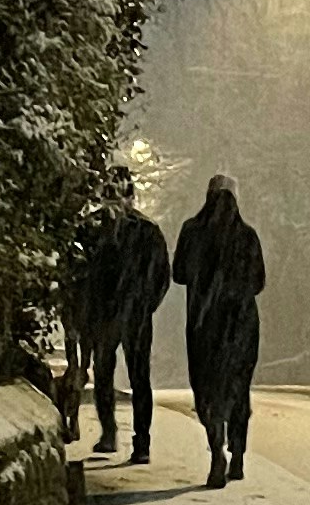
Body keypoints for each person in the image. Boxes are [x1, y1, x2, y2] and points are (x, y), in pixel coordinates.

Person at [173, 176, 267, 487]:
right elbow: (259, 283)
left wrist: (207, 285)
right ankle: (238, 453)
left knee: (207, 387)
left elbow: (179, 275)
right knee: (239, 388)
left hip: (204, 325)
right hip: (242, 325)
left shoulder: (191, 231)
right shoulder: (247, 235)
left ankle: (216, 449)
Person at [73, 198, 173, 463]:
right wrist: (146, 304)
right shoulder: (147, 231)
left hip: (108, 313)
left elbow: (80, 272)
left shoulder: (93, 228)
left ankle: (110, 434)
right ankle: (141, 443)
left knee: (106, 372)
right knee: (137, 378)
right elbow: (163, 275)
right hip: (132, 313)